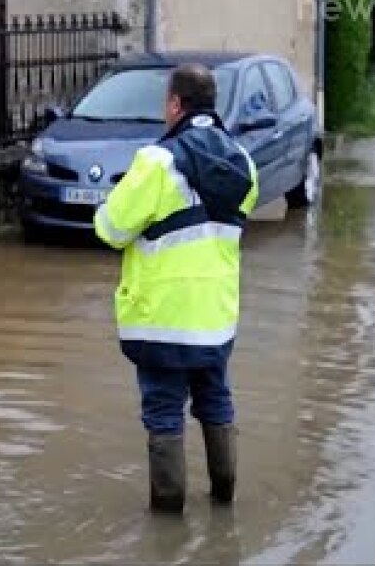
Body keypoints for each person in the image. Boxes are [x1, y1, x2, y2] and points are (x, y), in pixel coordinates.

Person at [94, 63, 258, 513]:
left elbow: (110, 229)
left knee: (164, 412)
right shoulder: (243, 162)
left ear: (174, 104)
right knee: (216, 401)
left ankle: (168, 524)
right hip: (215, 317)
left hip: (161, 318)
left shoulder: (156, 161)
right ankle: (224, 500)